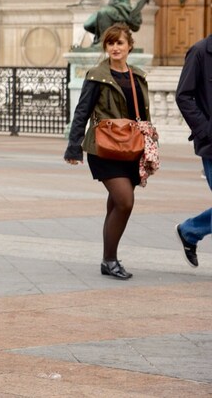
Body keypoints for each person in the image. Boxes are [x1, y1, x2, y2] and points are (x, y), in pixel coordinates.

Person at [65, 23, 151, 280]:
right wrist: (74, 147)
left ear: (129, 46)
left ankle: (108, 259)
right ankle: (110, 259)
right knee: (125, 201)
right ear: (106, 47)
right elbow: (81, 112)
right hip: (104, 148)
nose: (115, 47)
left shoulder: (137, 75)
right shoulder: (96, 75)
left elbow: (143, 115)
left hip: (131, 148)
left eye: (120, 43)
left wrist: (149, 145)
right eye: (110, 43)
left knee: (116, 203)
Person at [174, 34, 212, 268]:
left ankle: (190, 230)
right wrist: (206, 130)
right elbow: (184, 95)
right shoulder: (199, 52)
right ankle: (190, 230)